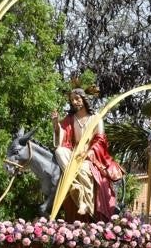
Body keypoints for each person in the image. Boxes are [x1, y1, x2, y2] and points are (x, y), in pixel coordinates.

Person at [51, 88, 121, 221]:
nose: (74, 102)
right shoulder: (70, 118)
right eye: (72, 100)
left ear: (84, 99)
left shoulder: (95, 119)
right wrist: (55, 124)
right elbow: (61, 135)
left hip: (90, 156)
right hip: (73, 155)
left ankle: (85, 203)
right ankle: (76, 186)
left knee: (83, 168)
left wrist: (88, 152)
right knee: (59, 151)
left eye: (77, 99)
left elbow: (100, 140)